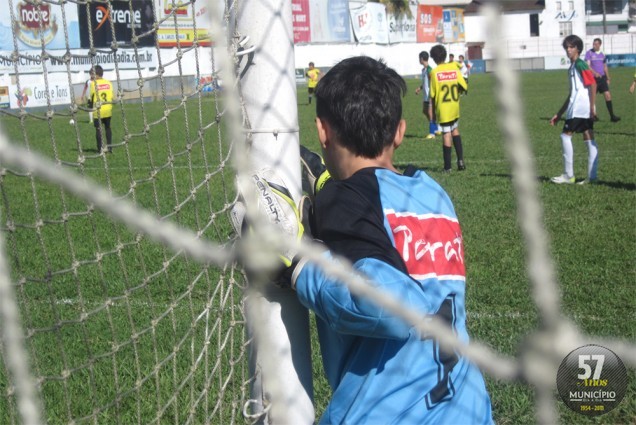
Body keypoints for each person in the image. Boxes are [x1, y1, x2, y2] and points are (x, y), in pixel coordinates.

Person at [295, 56, 492, 424]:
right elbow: (383, 223)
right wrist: (328, 189)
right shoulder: (434, 195)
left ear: (322, 131)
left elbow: (391, 304)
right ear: (399, 132)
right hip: (465, 406)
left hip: (390, 412)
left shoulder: (346, 201)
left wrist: (298, 265)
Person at [550, 34, 598, 185]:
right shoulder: (572, 66)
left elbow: (593, 84)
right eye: (566, 47)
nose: (568, 50)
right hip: (578, 107)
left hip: (579, 108)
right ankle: (592, 177)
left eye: (571, 47)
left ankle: (568, 175)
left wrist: (592, 107)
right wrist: (559, 113)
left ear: (578, 49)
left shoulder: (580, 64)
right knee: (588, 138)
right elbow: (571, 93)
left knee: (565, 136)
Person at [429, 44, 468, 172]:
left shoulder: (434, 73)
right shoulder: (453, 68)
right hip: (454, 106)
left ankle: (447, 167)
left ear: (434, 59)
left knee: (446, 134)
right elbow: (464, 85)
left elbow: (433, 95)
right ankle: (461, 161)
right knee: (455, 130)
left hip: (443, 108)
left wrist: (433, 114)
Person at [584, 38, 620, 122]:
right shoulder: (589, 53)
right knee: (592, 98)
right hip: (593, 79)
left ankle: (612, 116)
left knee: (608, 95)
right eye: (593, 44)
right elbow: (587, 66)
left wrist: (608, 77)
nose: (594, 45)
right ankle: (593, 116)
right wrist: (594, 72)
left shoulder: (603, 54)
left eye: (596, 44)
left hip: (602, 78)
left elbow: (605, 66)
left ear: (600, 45)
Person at [89, 65, 114, 153]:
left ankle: (100, 149)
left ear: (96, 75)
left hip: (98, 109)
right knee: (108, 128)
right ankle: (110, 147)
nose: (90, 77)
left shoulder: (93, 84)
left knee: (98, 129)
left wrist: (90, 107)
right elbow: (112, 96)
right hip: (108, 109)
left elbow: (91, 98)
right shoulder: (109, 83)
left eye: (91, 74)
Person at [414, 51, 438, 140]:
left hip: (430, 95)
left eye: (419, 58)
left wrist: (432, 95)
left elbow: (432, 82)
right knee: (425, 111)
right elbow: (425, 83)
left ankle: (432, 133)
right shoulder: (423, 70)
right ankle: (436, 128)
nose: (418, 60)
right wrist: (419, 88)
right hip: (425, 95)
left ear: (421, 59)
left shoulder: (429, 69)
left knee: (430, 113)